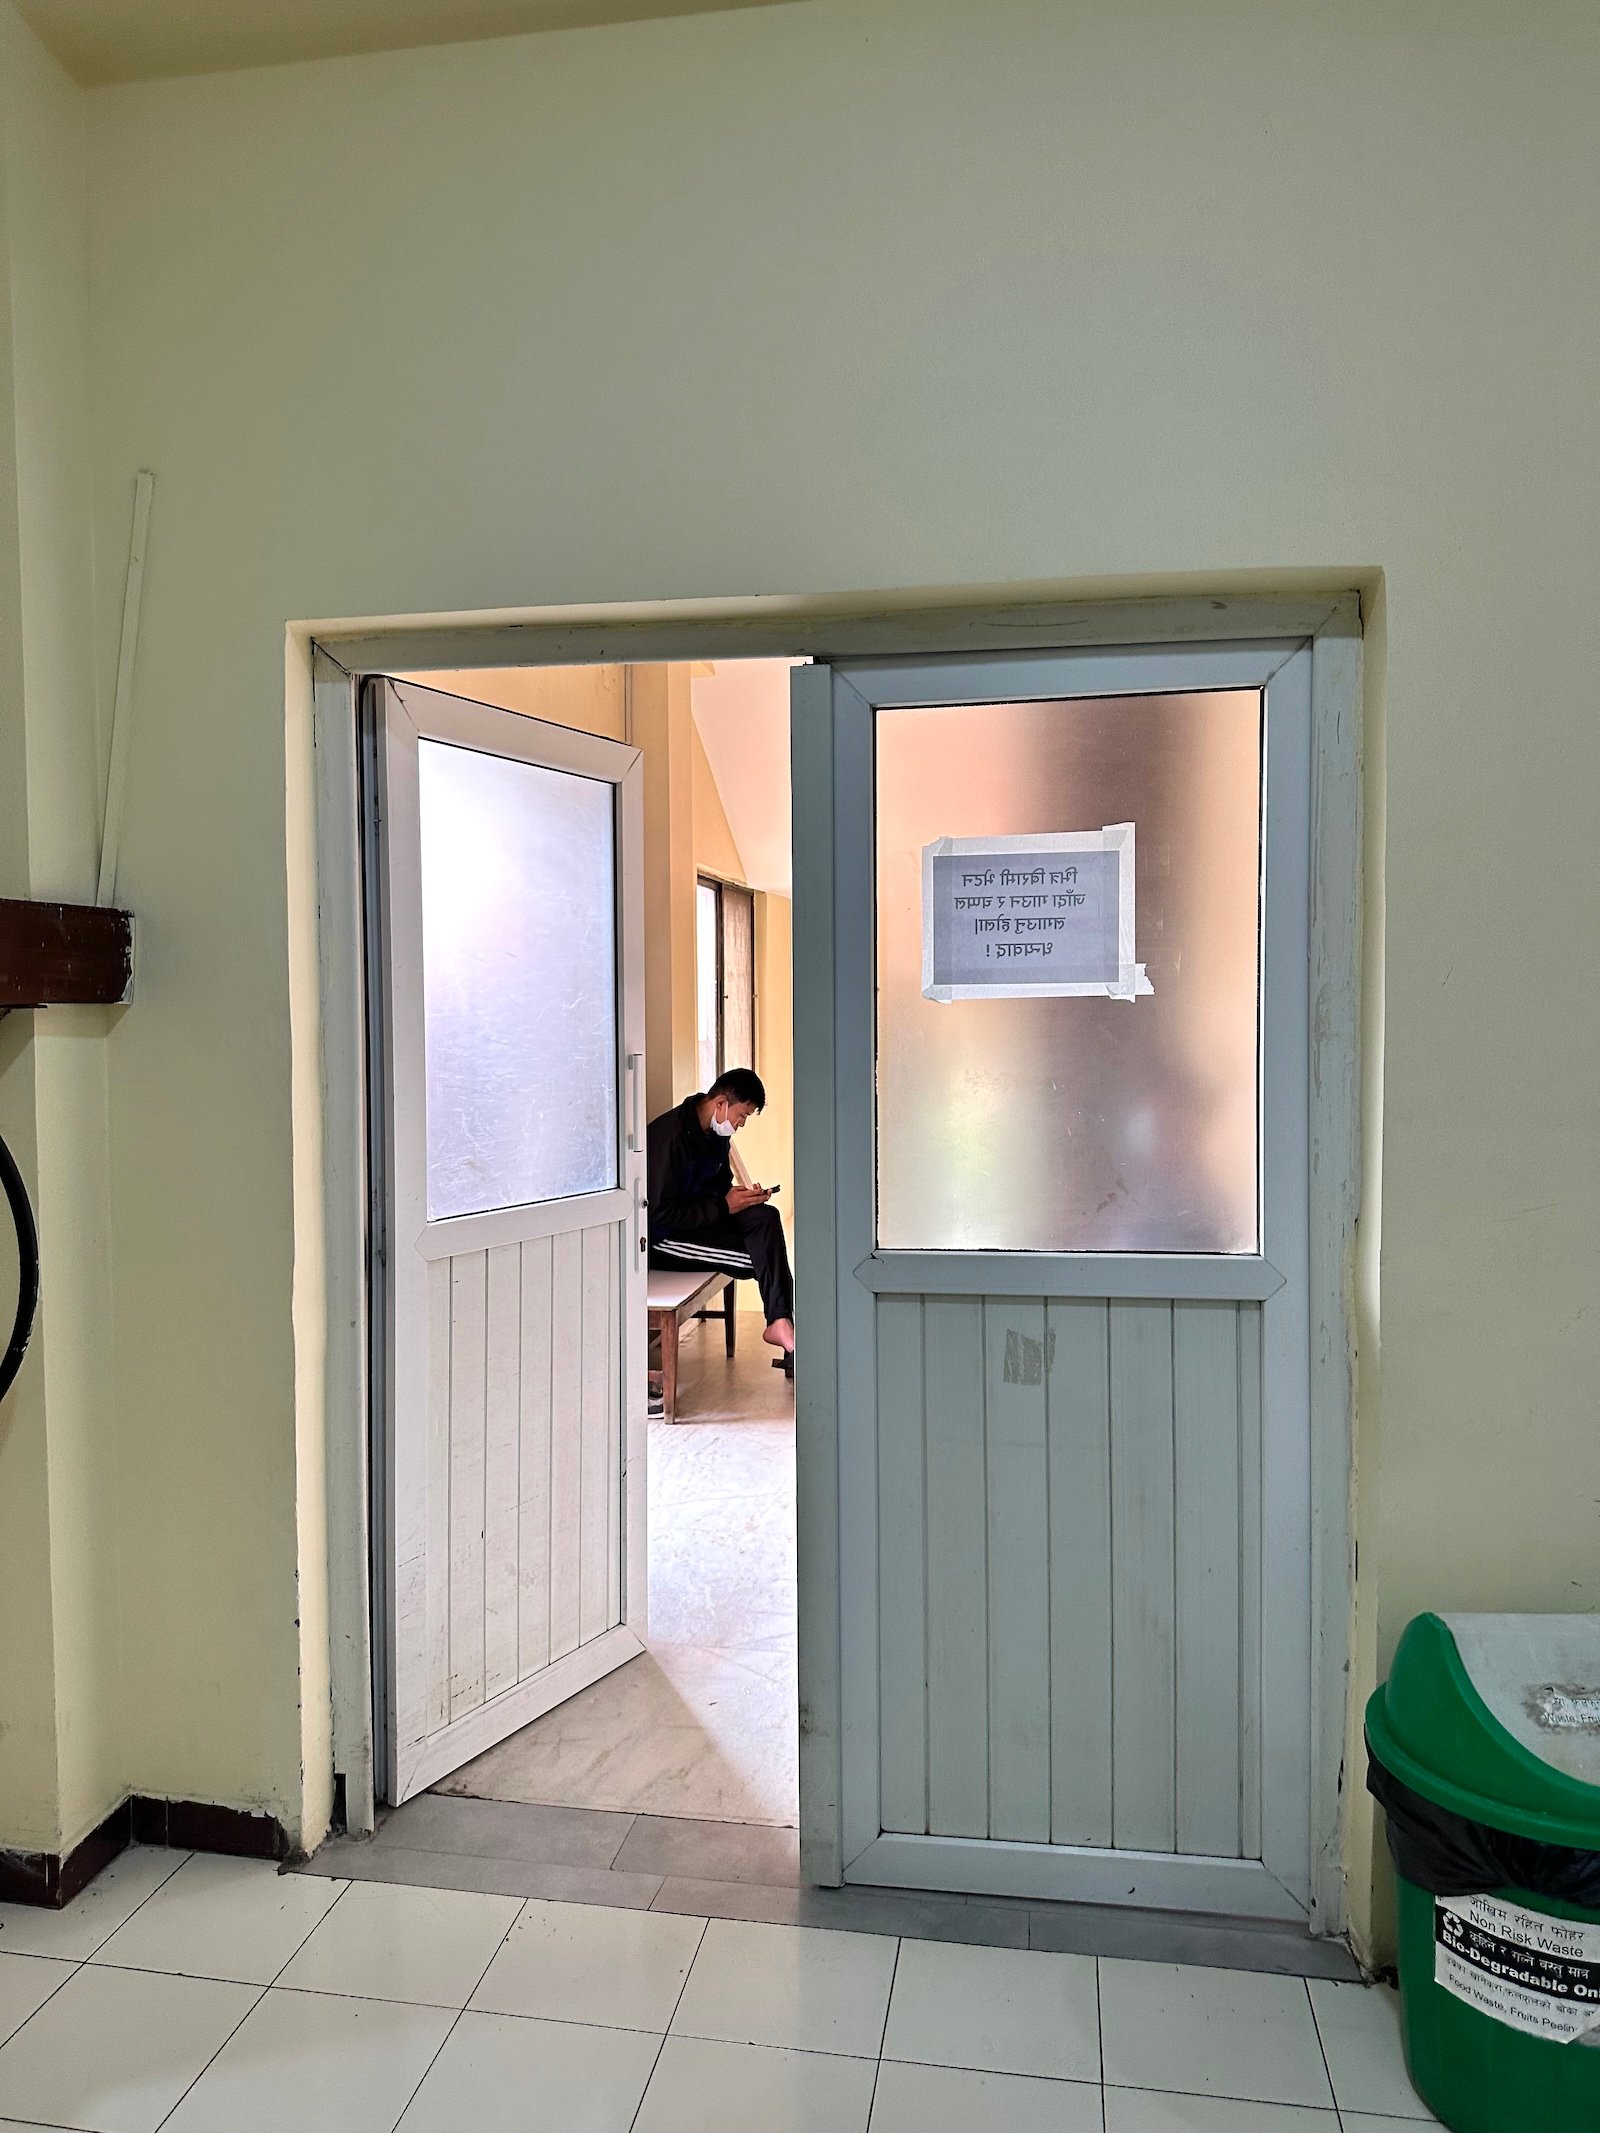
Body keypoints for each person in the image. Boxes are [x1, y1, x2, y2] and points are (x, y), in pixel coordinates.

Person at [646, 1069, 795, 1362]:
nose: (740, 1124)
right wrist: (723, 1206)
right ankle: (785, 1328)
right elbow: (660, 1214)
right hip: (666, 1239)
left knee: (765, 1216)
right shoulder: (670, 1138)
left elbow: (718, 1188)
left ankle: (780, 1324)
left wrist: (743, 1198)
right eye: (743, 1115)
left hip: (701, 1220)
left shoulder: (715, 1133)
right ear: (721, 1103)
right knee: (763, 1259)